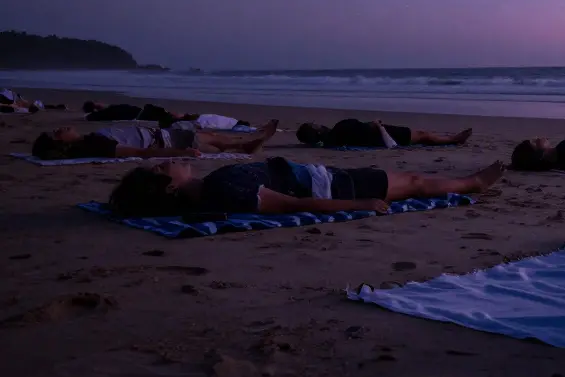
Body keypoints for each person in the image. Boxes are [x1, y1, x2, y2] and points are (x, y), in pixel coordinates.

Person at [107, 157, 505, 217]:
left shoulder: (214, 185)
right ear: (170, 189)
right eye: (163, 168)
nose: (169, 161)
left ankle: (470, 182)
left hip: (321, 175)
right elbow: (291, 205)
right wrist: (360, 204)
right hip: (332, 186)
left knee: (411, 181)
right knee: (415, 183)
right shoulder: (221, 190)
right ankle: (473, 183)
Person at [32, 120, 279, 161]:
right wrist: (178, 154)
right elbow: (137, 153)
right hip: (160, 140)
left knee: (210, 137)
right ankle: (246, 143)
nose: (61, 128)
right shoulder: (94, 144)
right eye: (57, 133)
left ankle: (245, 142)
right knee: (210, 138)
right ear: (61, 143)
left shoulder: (90, 139)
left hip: (158, 135)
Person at [296, 119, 472, 149]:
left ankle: (449, 138)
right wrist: (377, 125)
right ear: (317, 130)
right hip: (380, 135)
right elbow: (364, 128)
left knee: (422, 135)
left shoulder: (332, 140)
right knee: (422, 135)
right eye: (315, 124)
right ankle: (452, 139)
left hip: (374, 138)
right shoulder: (340, 128)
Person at [82, 101, 250, 129]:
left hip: (142, 112)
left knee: (178, 115)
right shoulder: (110, 110)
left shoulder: (113, 108)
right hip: (143, 112)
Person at [1, 89, 65, 112]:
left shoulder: (13, 104)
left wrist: (10, 105)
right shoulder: (16, 100)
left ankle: (60, 107)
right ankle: (60, 107)